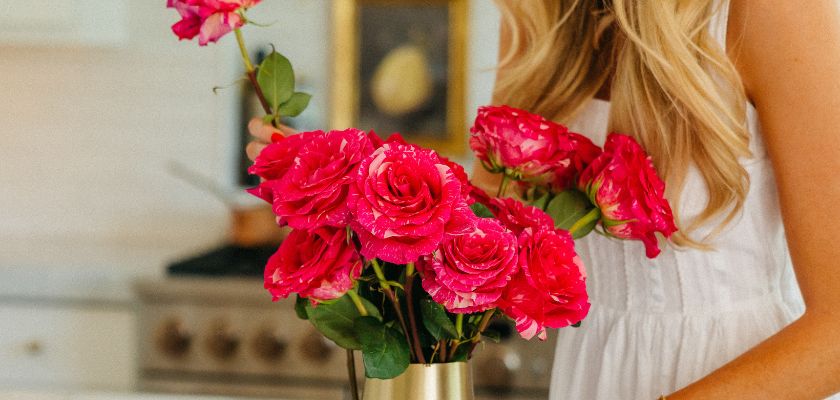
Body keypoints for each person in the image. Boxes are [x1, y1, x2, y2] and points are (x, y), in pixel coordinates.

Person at [247, 0, 840, 398]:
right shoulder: (541, 20)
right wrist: (339, 181)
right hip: (591, 375)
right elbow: (482, 241)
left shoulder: (769, 11)